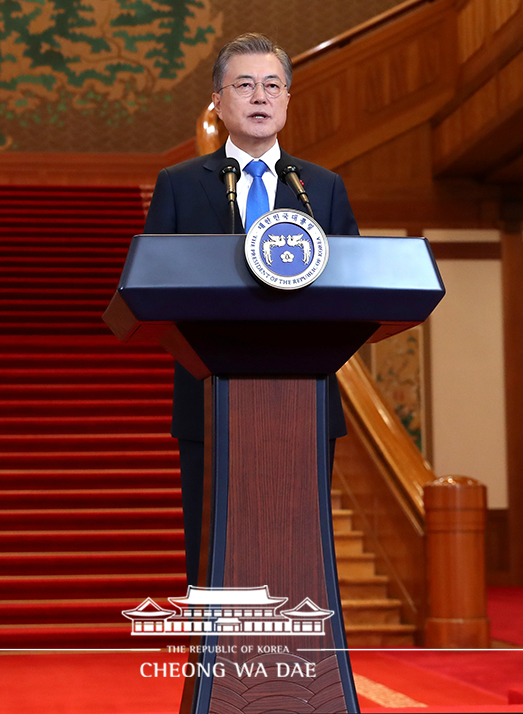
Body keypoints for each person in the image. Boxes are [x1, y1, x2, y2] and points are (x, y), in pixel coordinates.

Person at [143, 32, 360, 587]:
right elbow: (151, 288)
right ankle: (220, 669)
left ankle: (300, 671)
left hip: (303, 404)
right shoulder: (179, 185)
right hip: (209, 400)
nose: (260, 96)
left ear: (287, 100)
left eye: (272, 85)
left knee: (298, 560)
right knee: (213, 560)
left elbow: (357, 289)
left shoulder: (322, 188)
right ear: (218, 101)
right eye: (244, 85)